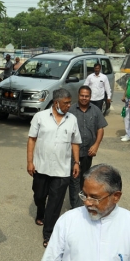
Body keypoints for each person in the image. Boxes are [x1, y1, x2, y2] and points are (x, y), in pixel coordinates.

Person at [27, 89, 82, 248]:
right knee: (39, 195)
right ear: (56, 102)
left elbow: (75, 142)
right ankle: (40, 211)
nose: (69, 106)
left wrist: (76, 162)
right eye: (66, 103)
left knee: (55, 203)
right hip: (41, 167)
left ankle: (49, 234)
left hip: (62, 169)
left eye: (69, 102)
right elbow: (32, 139)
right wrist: (30, 161)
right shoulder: (40, 117)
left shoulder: (72, 119)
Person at [67, 85, 107, 208]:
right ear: (78, 96)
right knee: (74, 179)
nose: (84, 98)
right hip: (72, 151)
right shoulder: (70, 111)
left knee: (84, 179)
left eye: (87, 96)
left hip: (88, 152)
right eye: (82, 95)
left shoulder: (96, 110)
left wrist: (96, 145)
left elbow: (100, 129)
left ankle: (82, 202)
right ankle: (76, 207)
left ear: (90, 97)